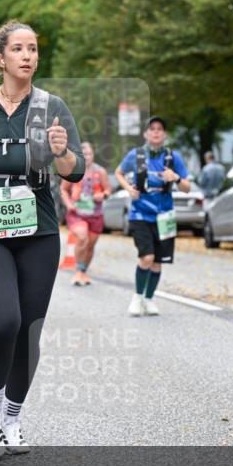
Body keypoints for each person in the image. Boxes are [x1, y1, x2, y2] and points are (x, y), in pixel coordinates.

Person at [0, 20, 84, 457]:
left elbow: (74, 171)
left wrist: (60, 151)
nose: (28, 56)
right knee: (2, 320)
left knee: (28, 329)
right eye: (19, 49)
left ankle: (12, 418)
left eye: (34, 49)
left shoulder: (52, 107)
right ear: (1, 58)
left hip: (38, 230)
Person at [115, 116, 191, 316]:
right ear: (145, 134)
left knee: (158, 262)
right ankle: (137, 297)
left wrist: (176, 178)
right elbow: (119, 173)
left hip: (165, 216)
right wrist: (128, 190)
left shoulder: (172, 157)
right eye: (152, 129)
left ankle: (149, 299)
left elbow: (187, 187)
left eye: (159, 129)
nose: (156, 132)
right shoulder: (136, 155)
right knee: (146, 257)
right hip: (140, 214)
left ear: (164, 134)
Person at [60, 141, 111, 285]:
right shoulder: (73, 170)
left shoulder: (100, 172)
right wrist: (69, 204)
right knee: (83, 238)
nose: (87, 157)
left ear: (93, 155)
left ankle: (83, 271)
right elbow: (63, 189)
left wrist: (103, 195)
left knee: (90, 246)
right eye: (84, 154)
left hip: (95, 214)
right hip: (77, 213)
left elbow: (108, 189)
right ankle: (77, 271)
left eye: (89, 154)